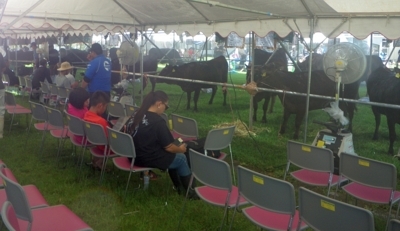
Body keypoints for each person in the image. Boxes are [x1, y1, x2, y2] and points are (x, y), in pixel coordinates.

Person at [126, 91, 197, 197]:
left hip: (133, 155)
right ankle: (189, 192)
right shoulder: (158, 121)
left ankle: (179, 186)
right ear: (159, 104)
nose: (165, 108)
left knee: (177, 147)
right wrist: (180, 149)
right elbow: (169, 147)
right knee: (181, 158)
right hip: (145, 158)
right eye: (166, 106)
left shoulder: (136, 113)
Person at [83, 91, 110, 170]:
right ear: (100, 106)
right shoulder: (101, 122)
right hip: (105, 147)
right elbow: (109, 139)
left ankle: (97, 161)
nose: (105, 109)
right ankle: (99, 162)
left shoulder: (86, 115)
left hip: (94, 142)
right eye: (105, 107)